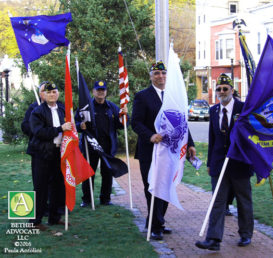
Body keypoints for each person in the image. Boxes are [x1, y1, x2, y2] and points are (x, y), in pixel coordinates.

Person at [131, 61, 196, 240]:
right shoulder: (142, 96)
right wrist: (151, 135)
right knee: (152, 186)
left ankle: (155, 220)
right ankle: (156, 225)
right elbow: (135, 122)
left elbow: (182, 122)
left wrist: (190, 143)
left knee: (167, 185)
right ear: (151, 76)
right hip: (149, 151)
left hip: (170, 151)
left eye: (163, 73)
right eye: (157, 73)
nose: (161, 76)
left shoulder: (173, 96)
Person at [195, 73, 253, 251]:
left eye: (225, 89)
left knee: (243, 200)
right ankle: (213, 239)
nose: (221, 92)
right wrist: (210, 163)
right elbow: (212, 139)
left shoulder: (244, 109)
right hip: (219, 163)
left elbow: (251, 136)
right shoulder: (213, 111)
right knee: (217, 202)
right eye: (219, 89)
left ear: (232, 90)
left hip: (240, 162)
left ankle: (245, 235)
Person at [76, 80, 127, 207]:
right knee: (88, 173)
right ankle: (87, 200)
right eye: (98, 90)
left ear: (106, 92)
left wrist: (124, 116)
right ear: (93, 92)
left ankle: (105, 199)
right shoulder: (86, 107)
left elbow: (121, 125)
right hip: (90, 146)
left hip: (107, 147)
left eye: (103, 90)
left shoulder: (112, 107)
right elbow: (75, 123)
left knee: (107, 173)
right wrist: (79, 125)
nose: (100, 92)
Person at [29, 82, 72, 230]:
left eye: (54, 91)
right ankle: (35, 222)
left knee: (58, 187)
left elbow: (71, 124)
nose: (52, 94)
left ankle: (55, 217)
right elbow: (39, 132)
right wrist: (60, 128)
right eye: (49, 92)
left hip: (59, 153)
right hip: (41, 153)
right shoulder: (37, 112)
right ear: (43, 95)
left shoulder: (62, 109)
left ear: (58, 93)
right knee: (40, 188)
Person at [21, 82, 47, 185]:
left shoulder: (58, 107)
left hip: (54, 151)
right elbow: (24, 126)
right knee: (39, 180)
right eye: (43, 91)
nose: (46, 93)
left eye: (48, 91)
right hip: (38, 149)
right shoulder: (33, 108)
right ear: (39, 93)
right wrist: (38, 131)